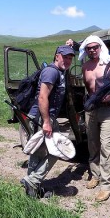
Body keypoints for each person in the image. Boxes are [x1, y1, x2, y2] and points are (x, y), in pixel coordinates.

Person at [66, 36, 110, 202]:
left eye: (95, 47)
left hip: (109, 110)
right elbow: (88, 89)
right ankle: (94, 175)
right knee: (93, 145)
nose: (92, 50)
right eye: (89, 48)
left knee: (106, 146)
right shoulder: (86, 66)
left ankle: (106, 185)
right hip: (92, 110)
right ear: (86, 50)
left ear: (101, 47)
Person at [20, 45, 75, 198]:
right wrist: (46, 122)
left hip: (45, 117)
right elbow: (42, 97)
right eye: (65, 57)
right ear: (57, 56)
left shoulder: (60, 71)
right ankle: (33, 181)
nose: (68, 60)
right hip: (42, 117)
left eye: (70, 57)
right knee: (57, 150)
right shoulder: (51, 72)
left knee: (38, 152)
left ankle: (32, 188)